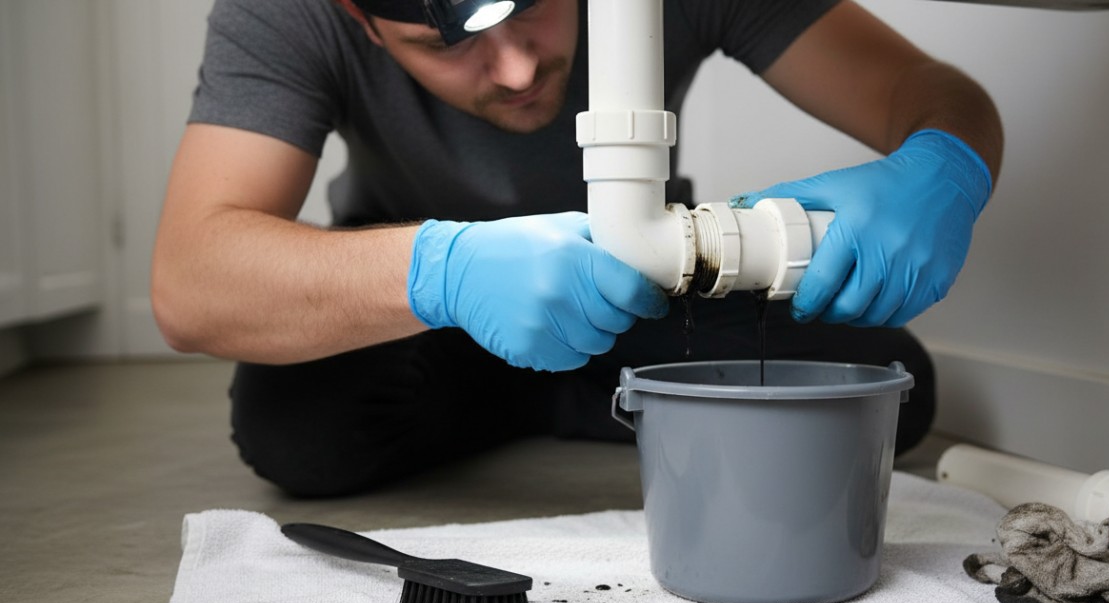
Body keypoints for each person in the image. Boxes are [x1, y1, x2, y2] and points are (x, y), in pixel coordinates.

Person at [152, 0, 1003, 497]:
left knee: (888, 388)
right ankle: (606, 395)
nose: (517, 70)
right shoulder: (290, 12)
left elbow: (922, 88)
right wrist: (444, 271)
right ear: (360, 19)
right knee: (301, 432)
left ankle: (562, 389)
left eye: (533, 6)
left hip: (641, 287)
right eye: (448, 41)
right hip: (423, 312)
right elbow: (191, 279)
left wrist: (944, 168)